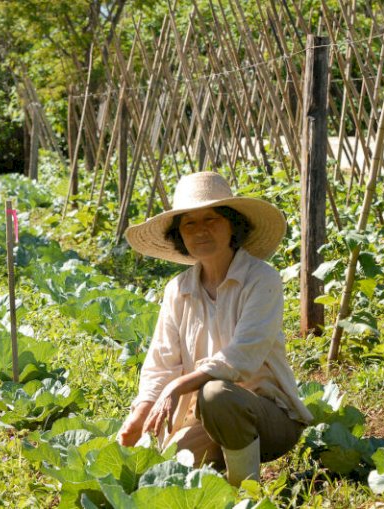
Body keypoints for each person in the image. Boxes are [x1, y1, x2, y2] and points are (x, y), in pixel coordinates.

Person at [116, 172, 312, 486]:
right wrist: (140, 413)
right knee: (164, 478)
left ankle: (245, 491)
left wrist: (177, 387)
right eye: (189, 223)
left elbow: (241, 357)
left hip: (268, 418)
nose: (201, 230)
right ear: (179, 235)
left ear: (233, 224)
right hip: (202, 418)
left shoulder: (262, 280)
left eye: (212, 219)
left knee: (215, 392)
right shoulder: (177, 290)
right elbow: (161, 361)